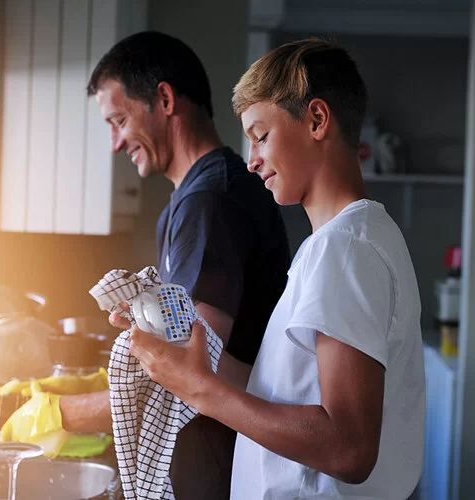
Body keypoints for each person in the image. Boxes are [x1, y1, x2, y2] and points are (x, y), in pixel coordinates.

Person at [128, 39, 426, 499]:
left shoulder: (343, 249)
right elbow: (283, 394)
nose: (252, 161)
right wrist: (184, 354)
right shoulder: (342, 242)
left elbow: (349, 449)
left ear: (317, 120)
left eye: (261, 136)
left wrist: (202, 390)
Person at [58, 31, 291, 499]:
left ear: (163, 99)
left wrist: (62, 412)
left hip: (215, 471)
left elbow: (183, 367)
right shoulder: (191, 200)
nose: (114, 142)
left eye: (119, 120)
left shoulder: (210, 202)